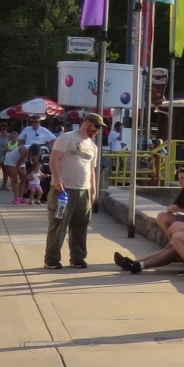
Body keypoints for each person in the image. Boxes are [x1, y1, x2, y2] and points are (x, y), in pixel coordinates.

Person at [44, 111, 103, 269]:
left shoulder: (93, 146)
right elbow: (54, 158)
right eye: (96, 126)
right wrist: (57, 178)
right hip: (64, 189)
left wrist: (93, 191)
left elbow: (91, 169)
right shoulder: (67, 138)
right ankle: (52, 259)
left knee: (80, 225)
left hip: (84, 190)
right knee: (59, 223)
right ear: (87, 123)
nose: (97, 130)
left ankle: (77, 257)